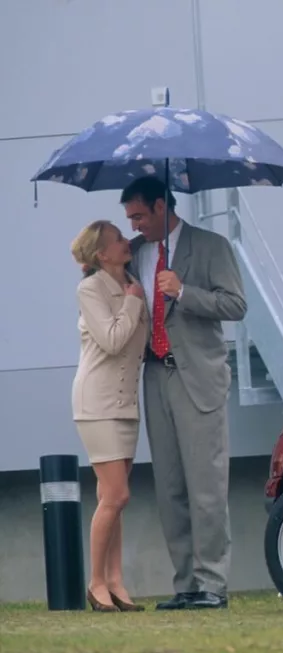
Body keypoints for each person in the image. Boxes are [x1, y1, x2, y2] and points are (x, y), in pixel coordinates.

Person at [121, 176, 247, 610]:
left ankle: (213, 583)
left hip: (198, 378)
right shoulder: (136, 254)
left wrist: (184, 292)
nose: (134, 225)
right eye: (129, 218)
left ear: (161, 206)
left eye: (139, 215)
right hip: (154, 376)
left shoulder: (210, 246)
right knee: (169, 488)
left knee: (206, 487)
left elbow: (235, 304)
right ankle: (186, 585)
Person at [70, 220, 148, 613]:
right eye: (118, 239)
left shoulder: (132, 282)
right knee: (117, 494)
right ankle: (96, 582)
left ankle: (116, 582)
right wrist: (134, 301)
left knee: (111, 499)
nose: (126, 241)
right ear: (102, 253)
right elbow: (114, 341)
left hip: (126, 406)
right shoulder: (91, 288)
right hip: (96, 402)